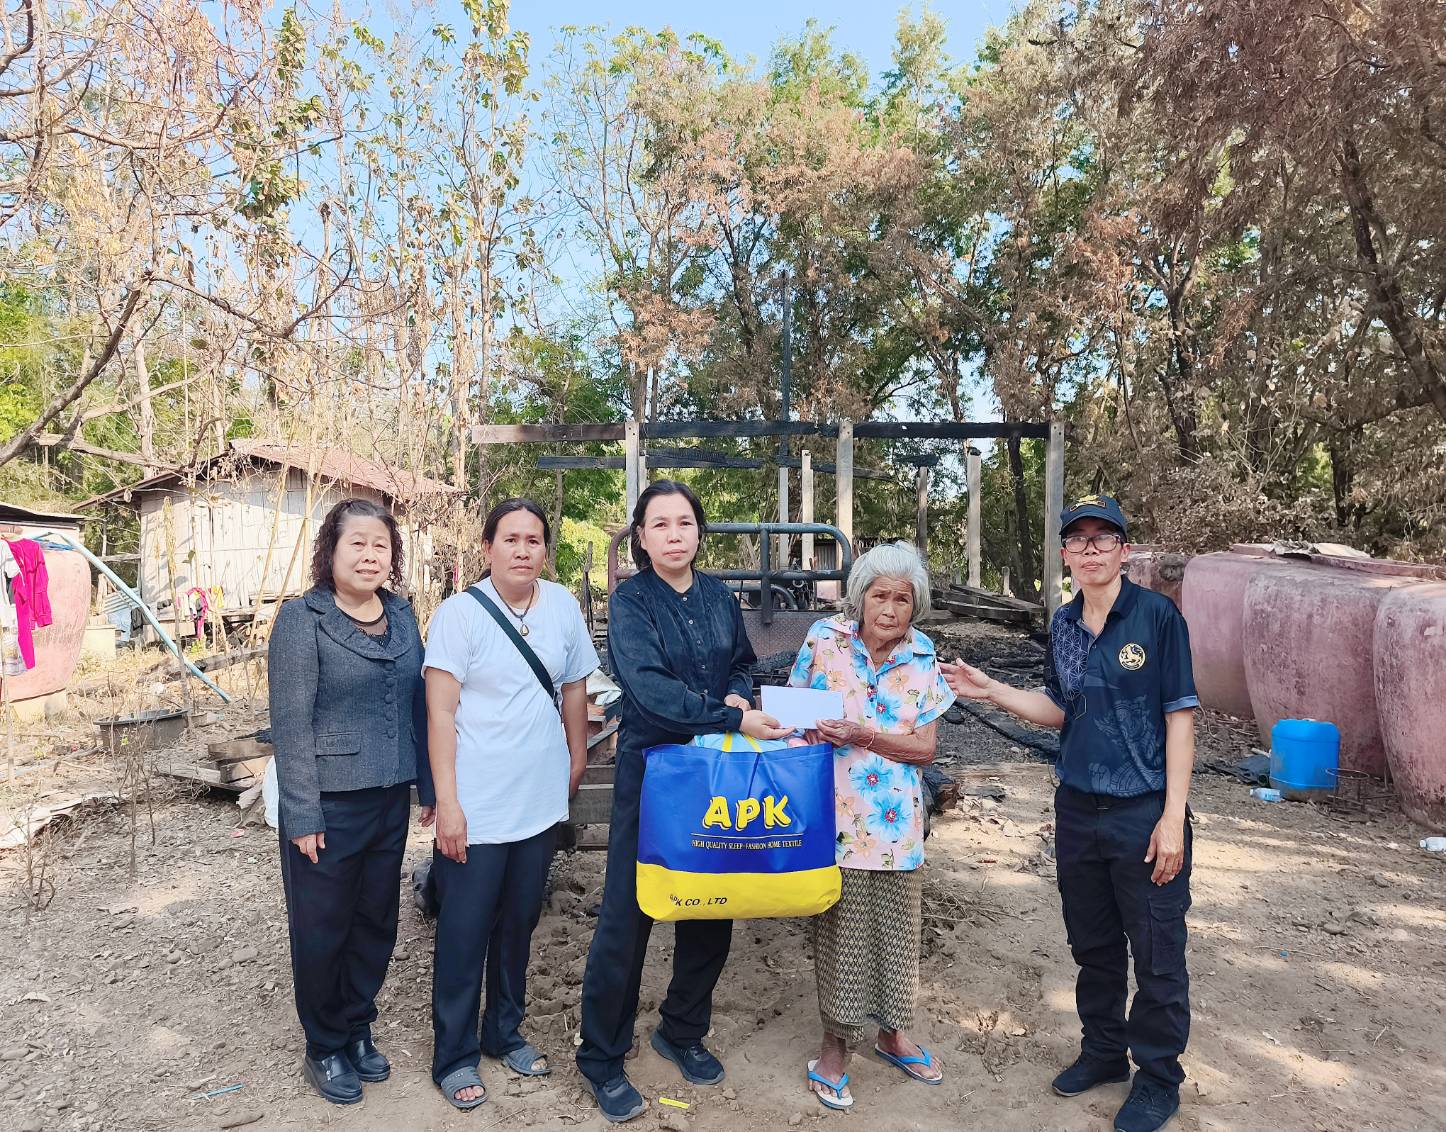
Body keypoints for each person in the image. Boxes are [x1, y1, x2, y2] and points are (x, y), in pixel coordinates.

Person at [941, 495, 1197, 1132]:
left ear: (1124, 550)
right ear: (1064, 554)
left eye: (1102, 538)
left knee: (1158, 953)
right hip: (1079, 808)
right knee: (1095, 945)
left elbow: (1180, 717)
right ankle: (1105, 1053)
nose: (1089, 549)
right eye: (1077, 539)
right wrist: (991, 689)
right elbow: (1061, 708)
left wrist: (1173, 817)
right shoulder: (1062, 624)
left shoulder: (1158, 618)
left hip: (1143, 812)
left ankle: (1159, 1077)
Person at [576, 480, 791, 1123]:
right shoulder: (632, 604)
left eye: (685, 523)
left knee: (711, 900)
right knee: (629, 912)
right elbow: (648, 693)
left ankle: (682, 1029)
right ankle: (603, 1057)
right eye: (660, 525)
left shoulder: (721, 598)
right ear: (641, 538)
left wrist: (736, 696)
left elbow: (743, 664)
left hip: (715, 773)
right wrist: (728, 719)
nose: (674, 534)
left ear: (699, 532)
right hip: (655, 770)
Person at [424, 499, 599, 1110]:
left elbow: (575, 685)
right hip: (478, 800)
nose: (523, 550)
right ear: (488, 546)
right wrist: (446, 801)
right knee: (465, 929)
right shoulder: (458, 615)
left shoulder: (561, 606)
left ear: (545, 548)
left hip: (539, 799)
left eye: (533, 540)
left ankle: (505, 1030)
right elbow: (440, 713)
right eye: (510, 539)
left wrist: (577, 754)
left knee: (519, 923)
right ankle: (454, 1054)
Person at [268, 498, 433, 1105]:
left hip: (390, 797)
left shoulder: (404, 615)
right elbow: (290, 723)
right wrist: (302, 813)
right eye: (356, 544)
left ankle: (358, 1025)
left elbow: (420, 706)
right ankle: (325, 1044)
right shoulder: (301, 619)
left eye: (380, 545)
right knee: (322, 928)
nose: (369, 555)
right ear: (330, 552)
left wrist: (430, 788)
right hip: (329, 806)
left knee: (376, 920)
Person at [785, 541, 955, 1111]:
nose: (889, 608)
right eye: (879, 595)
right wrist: (805, 732)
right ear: (859, 599)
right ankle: (834, 1047)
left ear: (915, 606)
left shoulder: (923, 656)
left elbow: (926, 750)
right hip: (832, 815)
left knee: (898, 934)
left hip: (897, 824)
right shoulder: (824, 640)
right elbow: (791, 717)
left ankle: (892, 1033)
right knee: (842, 933)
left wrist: (863, 736)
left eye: (902, 599)